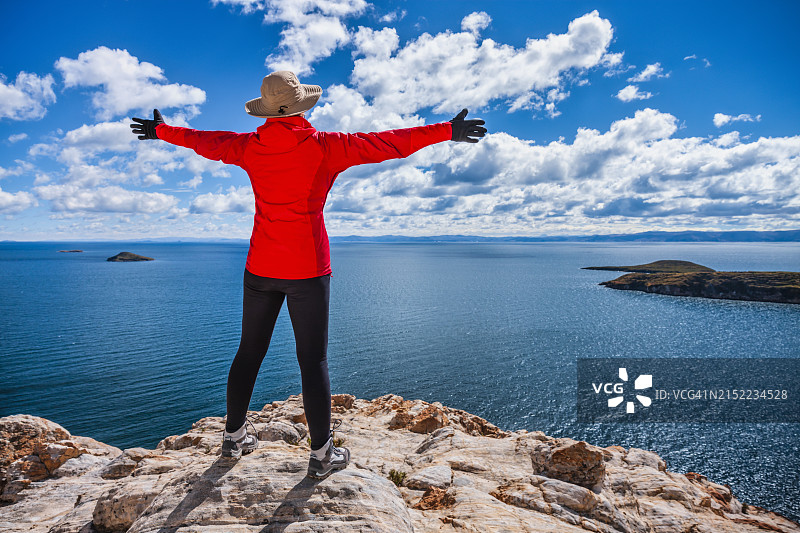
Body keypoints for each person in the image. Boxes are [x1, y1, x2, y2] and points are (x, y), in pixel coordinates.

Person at [130, 70, 486, 479]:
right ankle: (321, 456)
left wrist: (161, 131)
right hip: (307, 269)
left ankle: (233, 439)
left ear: (266, 109)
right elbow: (390, 142)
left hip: (260, 266)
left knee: (249, 353)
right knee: (312, 360)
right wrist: (447, 130)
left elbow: (201, 140)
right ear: (301, 105)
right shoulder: (328, 147)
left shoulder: (248, 147)